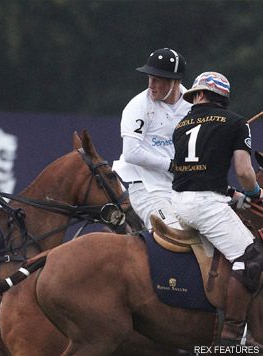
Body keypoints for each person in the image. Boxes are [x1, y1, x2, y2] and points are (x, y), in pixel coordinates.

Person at [171, 71, 263, 346]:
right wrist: (254, 192)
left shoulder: (180, 125)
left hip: (179, 202)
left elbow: (194, 174)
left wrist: (232, 194)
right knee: (251, 257)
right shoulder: (235, 123)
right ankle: (233, 335)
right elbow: (245, 173)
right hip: (205, 206)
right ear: (223, 97)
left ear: (198, 94)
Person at [112, 48, 192, 229]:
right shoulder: (138, 106)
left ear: (175, 82)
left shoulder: (193, 106)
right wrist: (171, 165)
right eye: (150, 78)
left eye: (157, 79)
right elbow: (132, 153)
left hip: (182, 188)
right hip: (146, 188)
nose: (151, 85)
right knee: (173, 232)